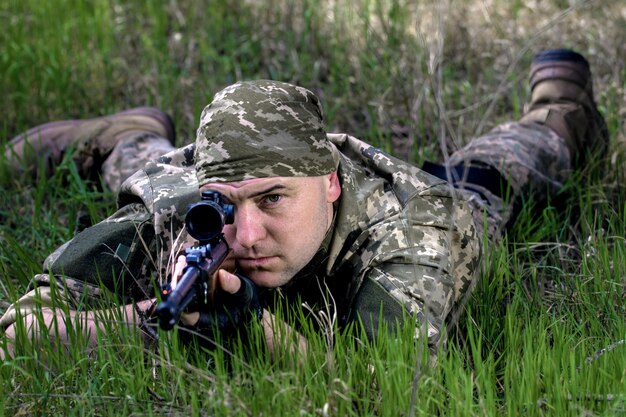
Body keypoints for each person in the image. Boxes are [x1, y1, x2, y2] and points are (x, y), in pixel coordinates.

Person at [0, 49, 608, 359]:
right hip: (197, 175)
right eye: (229, 204)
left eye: (273, 199)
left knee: (485, 175)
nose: (249, 234)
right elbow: (29, 322)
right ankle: (125, 130)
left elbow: (389, 384)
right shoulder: (197, 210)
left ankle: (561, 111)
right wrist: (144, 318)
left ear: (331, 182)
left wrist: (258, 334)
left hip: (434, 200)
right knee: (142, 167)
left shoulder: (415, 228)